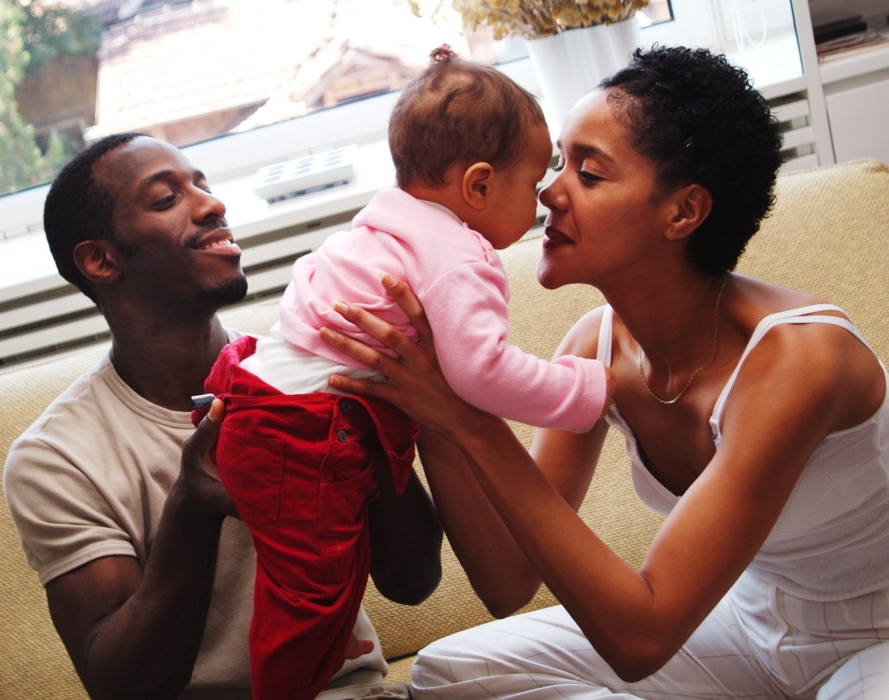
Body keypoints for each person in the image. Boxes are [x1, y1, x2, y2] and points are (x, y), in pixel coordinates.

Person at [318, 46, 889, 699]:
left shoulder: (801, 360)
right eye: (556, 161)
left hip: (872, 642)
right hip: (742, 627)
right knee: (451, 673)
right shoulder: (597, 347)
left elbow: (641, 638)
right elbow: (507, 581)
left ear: (683, 212)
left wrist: (474, 424)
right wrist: (436, 413)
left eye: (587, 173)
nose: (547, 190)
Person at [194, 47, 614, 700]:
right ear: (477, 186)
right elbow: (482, 373)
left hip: (251, 393)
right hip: (308, 428)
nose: (543, 202)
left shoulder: (378, 227)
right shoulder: (459, 256)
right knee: (311, 604)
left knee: (307, 594)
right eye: (533, 185)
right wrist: (587, 392)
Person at [2, 133, 443, 700]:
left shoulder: (308, 375)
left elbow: (413, 582)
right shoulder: (55, 458)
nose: (212, 205)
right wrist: (192, 503)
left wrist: (369, 416)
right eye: (166, 199)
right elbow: (122, 687)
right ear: (100, 260)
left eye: (203, 185)